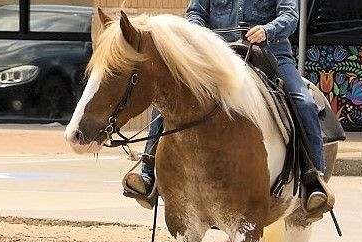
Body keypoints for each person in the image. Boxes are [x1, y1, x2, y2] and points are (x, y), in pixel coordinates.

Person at [123, 0, 334, 216]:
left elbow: (290, 16)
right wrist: (200, 35)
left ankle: (313, 179)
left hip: (270, 55)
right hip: (217, 56)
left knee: (303, 102)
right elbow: (195, 13)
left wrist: (267, 30)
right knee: (169, 97)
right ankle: (147, 173)